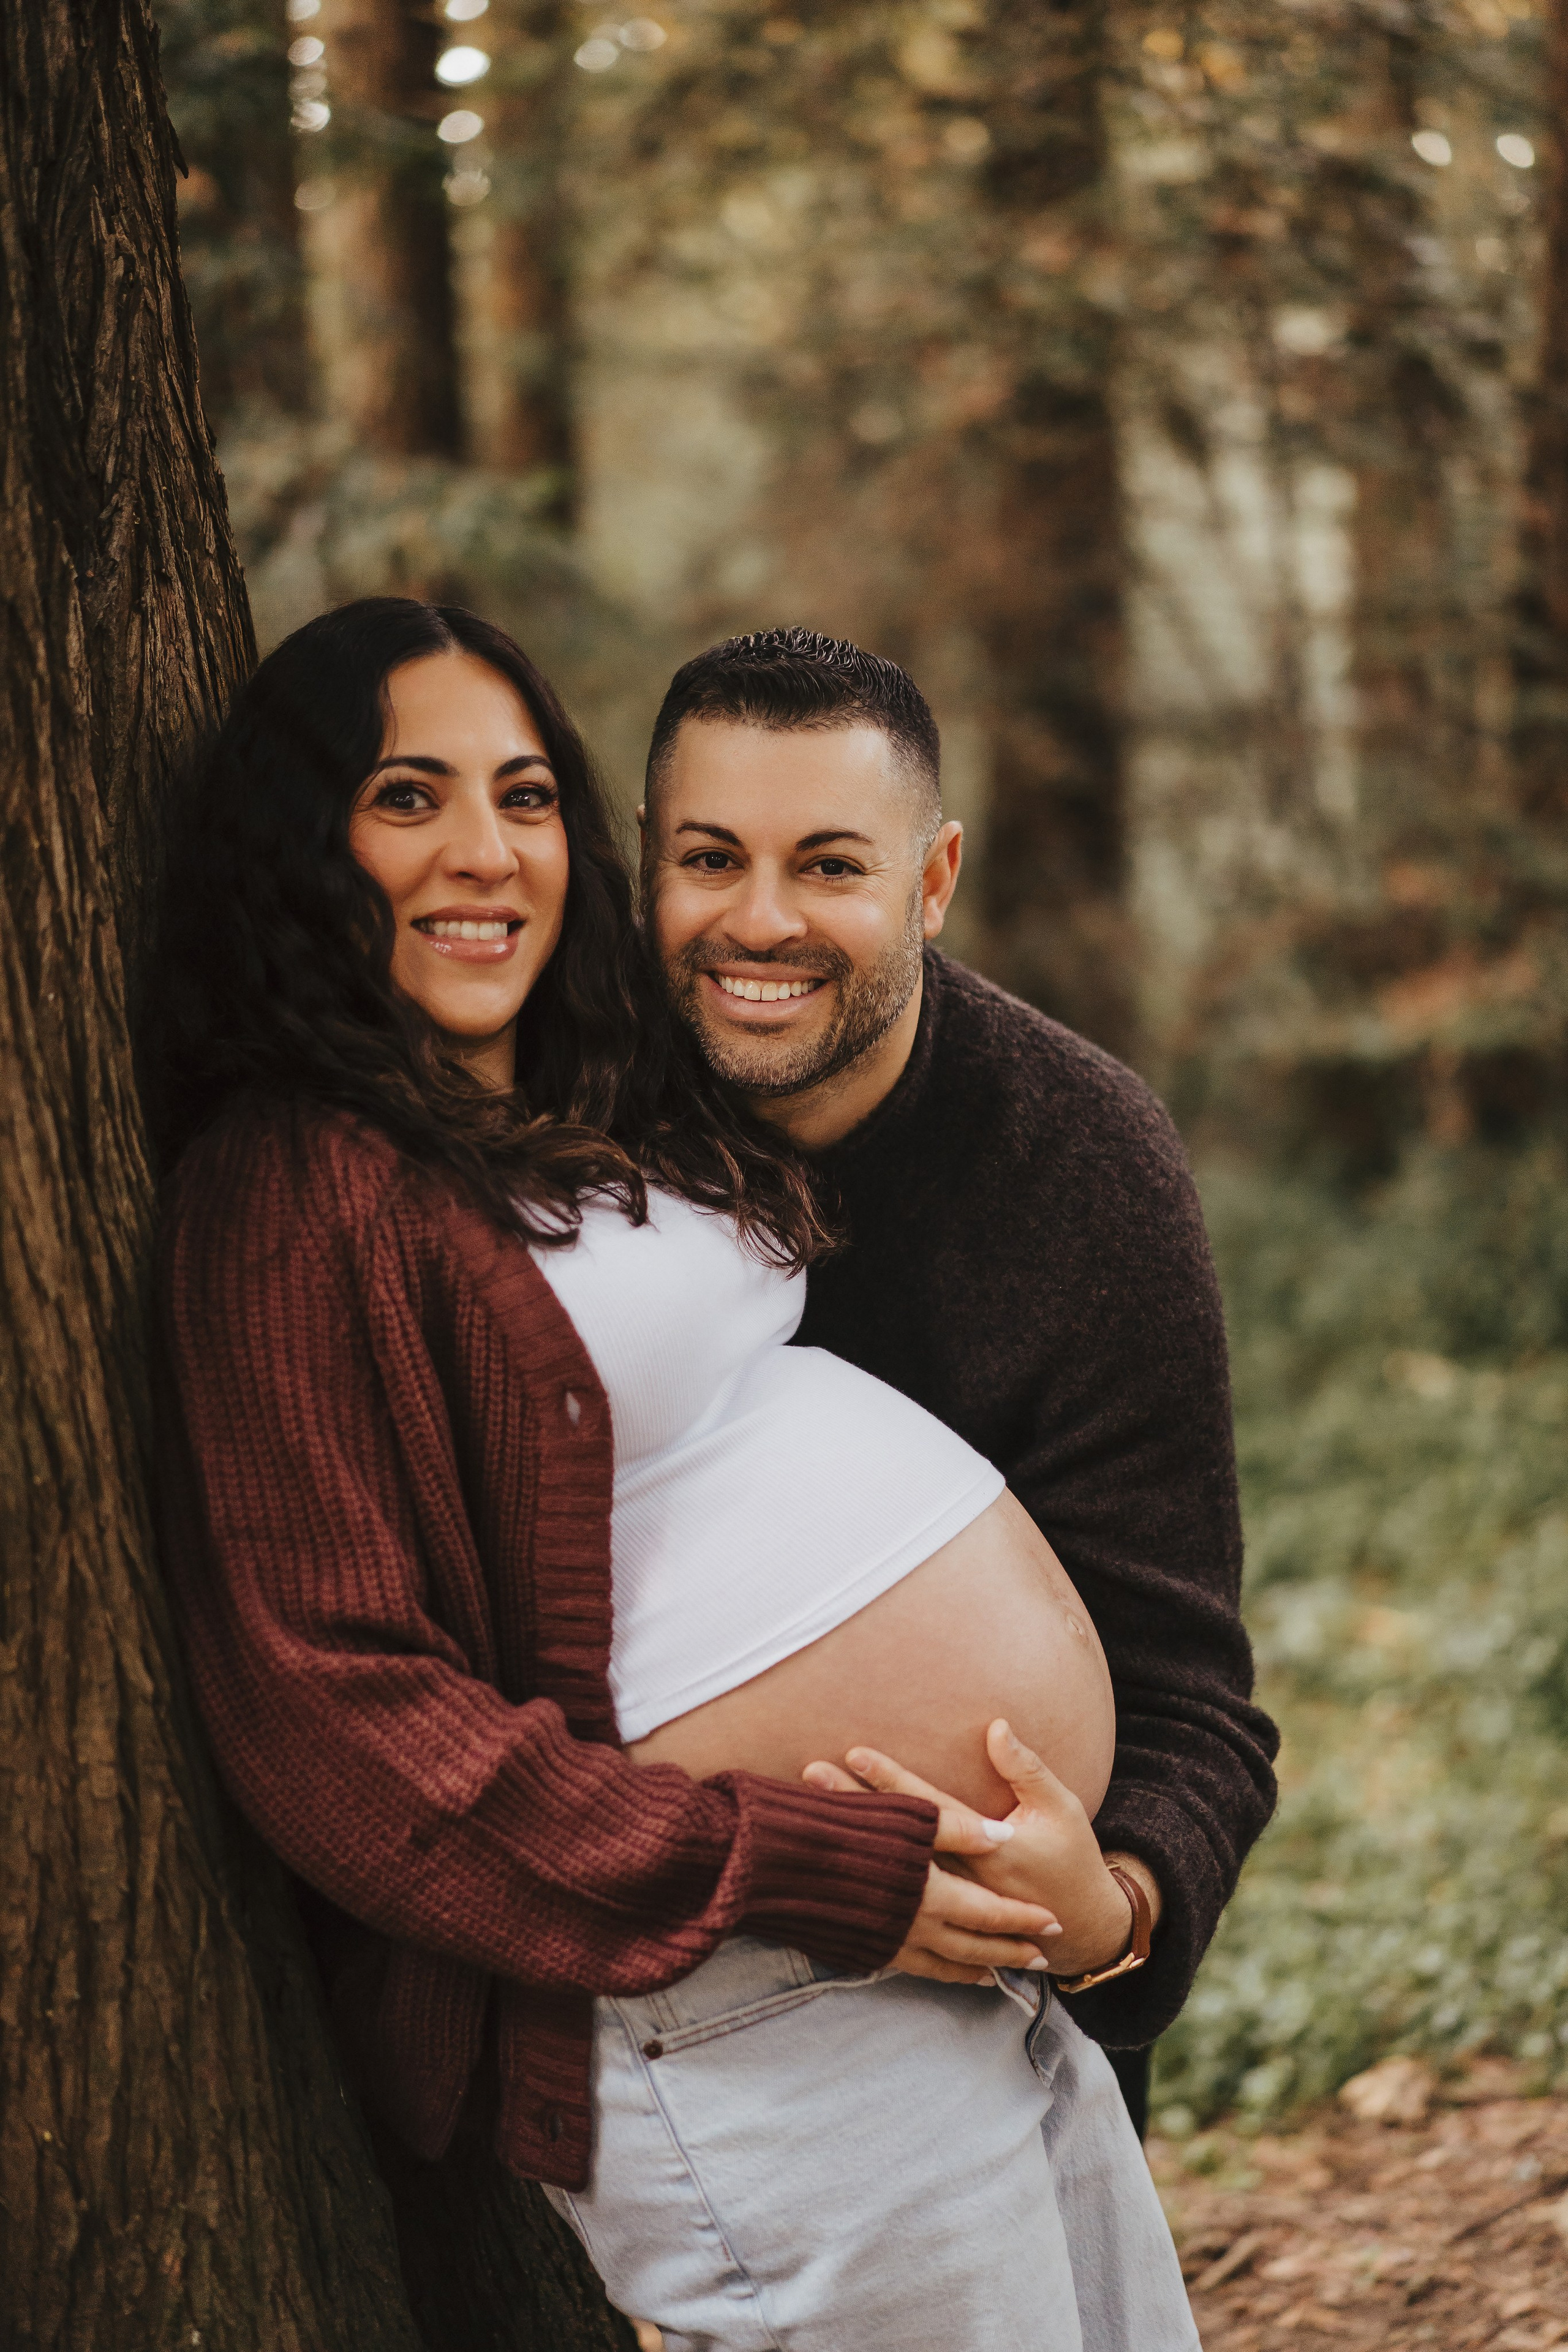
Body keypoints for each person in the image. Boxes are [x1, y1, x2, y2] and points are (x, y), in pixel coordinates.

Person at [155, 595, 1199, 2352]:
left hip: (945, 1963)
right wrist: (806, 1866)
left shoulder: (587, 1098)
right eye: (408, 797)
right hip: (730, 2007)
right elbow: (340, 1733)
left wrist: (1085, 1901)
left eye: (525, 796)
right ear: (301, 838)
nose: (485, 853)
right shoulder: (291, 1195)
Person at [640, 625, 1282, 2139]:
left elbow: (1190, 1688)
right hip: (609, 1957)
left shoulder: (1081, 1162)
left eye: (829, 867)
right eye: (709, 858)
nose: (759, 921)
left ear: (930, 884)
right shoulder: (560, 1108)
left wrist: (1110, 1910)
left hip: (979, 2018)